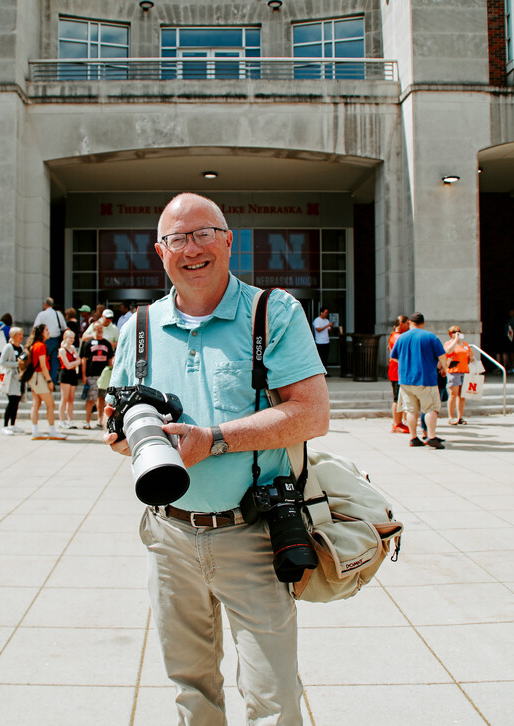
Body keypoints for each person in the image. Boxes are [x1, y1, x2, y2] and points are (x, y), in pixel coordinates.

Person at [103, 193, 329, 724]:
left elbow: (312, 415)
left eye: (203, 233)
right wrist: (131, 436)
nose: (192, 248)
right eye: (177, 238)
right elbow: (113, 429)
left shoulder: (272, 312)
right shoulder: (136, 327)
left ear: (229, 241)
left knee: (273, 697)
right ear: (160, 252)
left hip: (252, 532)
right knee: (190, 689)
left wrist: (212, 439)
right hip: (168, 535)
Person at [390, 312, 448, 449]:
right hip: (426, 378)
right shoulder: (430, 337)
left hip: (405, 379)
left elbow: (394, 358)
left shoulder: (402, 338)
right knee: (431, 409)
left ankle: (413, 437)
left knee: (411, 410)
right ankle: (431, 436)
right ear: (423, 322)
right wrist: (444, 368)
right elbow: (442, 355)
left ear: (410, 322)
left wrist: (406, 365)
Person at [25, 323, 66, 441]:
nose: (49, 332)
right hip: (40, 377)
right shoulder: (41, 346)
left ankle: (35, 430)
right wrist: (49, 381)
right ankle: (52, 430)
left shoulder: (34, 345)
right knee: (50, 404)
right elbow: (43, 366)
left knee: (36, 404)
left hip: (34, 377)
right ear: (42, 332)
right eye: (46, 330)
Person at [80, 324, 114, 429]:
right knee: (91, 398)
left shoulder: (107, 343)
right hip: (92, 374)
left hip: (104, 374)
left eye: (101, 328)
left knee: (102, 398)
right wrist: (84, 375)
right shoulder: (88, 343)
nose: (99, 330)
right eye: (97, 328)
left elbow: (110, 360)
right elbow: (84, 360)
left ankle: (100, 420)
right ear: (93, 330)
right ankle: (87, 421)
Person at [444, 325, 476, 425]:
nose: (457, 333)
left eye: (459, 331)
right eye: (454, 332)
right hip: (454, 371)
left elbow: (470, 357)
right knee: (453, 395)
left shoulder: (465, 344)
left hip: (464, 371)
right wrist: (455, 340)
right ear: (450, 334)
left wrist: (471, 357)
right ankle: (451, 417)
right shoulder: (448, 343)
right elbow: (448, 351)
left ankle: (460, 417)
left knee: (462, 396)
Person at [0, 327, 26, 435]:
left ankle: (13, 424)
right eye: (19, 334)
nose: (21, 336)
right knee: (11, 402)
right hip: (11, 378)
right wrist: (16, 365)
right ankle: (5, 425)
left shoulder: (21, 347)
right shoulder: (8, 347)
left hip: (19, 378)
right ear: (13, 335)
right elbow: (2, 362)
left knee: (16, 402)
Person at [33, 297, 68, 381]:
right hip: (56, 340)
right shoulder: (58, 314)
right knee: (55, 362)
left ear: (45, 305)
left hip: (44, 340)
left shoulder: (41, 314)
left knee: (42, 361)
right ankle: (53, 380)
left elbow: (35, 327)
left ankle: (44, 379)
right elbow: (64, 327)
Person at [387, 315, 410, 433]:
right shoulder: (397, 337)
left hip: (397, 371)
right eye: (408, 324)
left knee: (399, 398)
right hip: (397, 372)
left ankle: (399, 422)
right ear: (402, 324)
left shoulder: (395, 336)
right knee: (397, 399)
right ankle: (397, 423)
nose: (409, 326)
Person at [57, 330, 82, 428]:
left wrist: (74, 363)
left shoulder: (72, 348)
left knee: (71, 399)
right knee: (65, 398)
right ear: (65, 338)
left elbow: (79, 360)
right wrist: (75, 363)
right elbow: (67, 365)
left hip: (73, 373)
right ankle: (61, 420)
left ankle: (70, 419)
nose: (71, 340)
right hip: (65, 374)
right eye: (69, 337)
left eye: (73, 338)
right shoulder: (62, 350)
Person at [312, 307, 333, 376]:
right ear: (321, 312)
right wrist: (327, 325)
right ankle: (320, 373)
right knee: (321, 358)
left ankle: (325, 372)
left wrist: (330, 326)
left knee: (325, 358)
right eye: (326, 312)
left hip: (326, 341)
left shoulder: (326, 320)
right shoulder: (317, 320)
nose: (327, 314)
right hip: (319, 342)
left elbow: (329, 330)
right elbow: (318, 329)